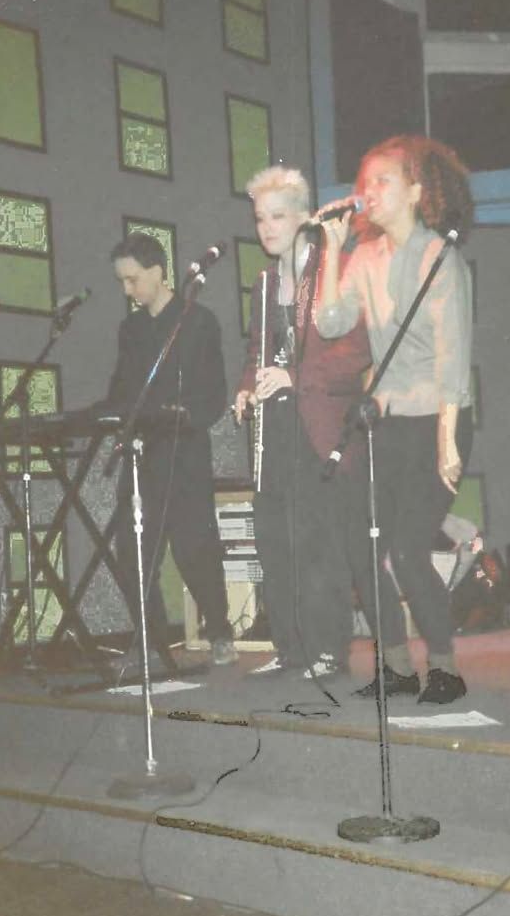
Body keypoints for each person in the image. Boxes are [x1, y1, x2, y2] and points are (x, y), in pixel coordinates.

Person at [315, 134, 475, 705]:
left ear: (414, 191)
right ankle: (397, 667)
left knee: (406, 550)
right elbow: (331, 322)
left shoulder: (439, 259)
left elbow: (454, 358)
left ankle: (445, 666)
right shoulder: (365, 257)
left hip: (438, 418)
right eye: (366, 182)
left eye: (383, 180)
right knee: (364, 546)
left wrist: (448, 442)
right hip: (386, 422)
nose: (370, 191)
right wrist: (332, 249)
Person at [234, 167, 371, 679]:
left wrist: (292, 376)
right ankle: (291, 648)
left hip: (319, 427)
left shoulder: (336, 270)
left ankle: (328, 649)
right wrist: (247, 387)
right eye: (259, 218)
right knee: (275, 539)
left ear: (303, 218)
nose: (266, 228)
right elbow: (256, 350)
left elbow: (354, 354)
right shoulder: (265, 283)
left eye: (276, 216)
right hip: (275, 430)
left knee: (320, 543)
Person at [106, 232, 236, 668]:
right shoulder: (130, 329)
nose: (127, 290)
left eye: (132, 279)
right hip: (143, 455)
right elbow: (121, 390)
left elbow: (213, 395)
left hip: (185, 452)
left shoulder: (197, 321)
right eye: (122, 282)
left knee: (194, 548)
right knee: (132, 551)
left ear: (158, 271)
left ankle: (219, 632)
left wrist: (183, 415)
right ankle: (151, 639)